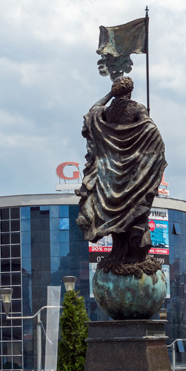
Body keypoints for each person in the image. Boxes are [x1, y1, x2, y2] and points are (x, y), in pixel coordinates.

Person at [76, 75, 167, 272]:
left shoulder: (106, 112)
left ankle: (121, 254)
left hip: (111, 172)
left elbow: (92, 111)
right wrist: (149, 154)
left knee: (116, 213)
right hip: (133, 173)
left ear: (115, 91)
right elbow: (152, 132)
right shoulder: (137, 108)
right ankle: (131, 257)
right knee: (133, 211)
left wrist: (109, 94)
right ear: (130, 91)